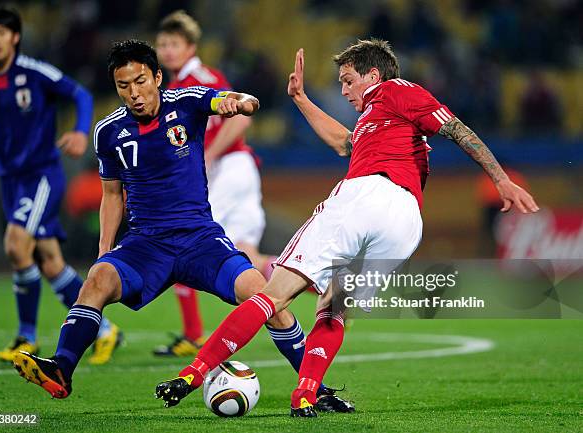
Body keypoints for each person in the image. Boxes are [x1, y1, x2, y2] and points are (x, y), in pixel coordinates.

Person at [154, 39, 540, 417]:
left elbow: (457, 129)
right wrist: (302, 99)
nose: (344, 89)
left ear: (374, 75)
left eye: (348, 80)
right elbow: (345, 144)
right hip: (403, 222)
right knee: (335, 308)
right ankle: (305, 394)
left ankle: (193, 373)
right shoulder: (381, 118)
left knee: (273, 295)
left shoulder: (397, 90)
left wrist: (500, 179)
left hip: (365, 196)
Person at [11, 41, 351, 412]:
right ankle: (61, 369)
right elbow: (112, 195)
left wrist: (241, 102)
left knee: (263, 295)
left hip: (199, 238)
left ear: (157, 77)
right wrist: (104, 250)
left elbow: (228, 100)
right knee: (96, 280)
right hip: (145, 244)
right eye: (124, 86)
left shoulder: (185, 101)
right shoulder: (108, 132)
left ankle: (313, 386)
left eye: (140, 81)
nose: (134, 93)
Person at [0, 3, 121, 365]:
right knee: (51, 262)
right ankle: (104, 330)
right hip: (10, 180)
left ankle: (27, 336)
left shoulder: (34, 72)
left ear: (15, 37)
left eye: (0, 33)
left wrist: (79, 132)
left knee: (15, 244)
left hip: (41, 175)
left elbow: (81, 95)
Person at [152, 10, 276, 357]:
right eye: (162, 44)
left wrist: (209, 155)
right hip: (236, 170)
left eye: (174, 43)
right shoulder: (172, 86)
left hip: (228, 167)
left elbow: (239, 121)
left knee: (181, 238)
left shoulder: (201, 79)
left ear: (191, 46)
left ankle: (193, 334)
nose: (167, 50)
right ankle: (327, 287)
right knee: (248, 257)